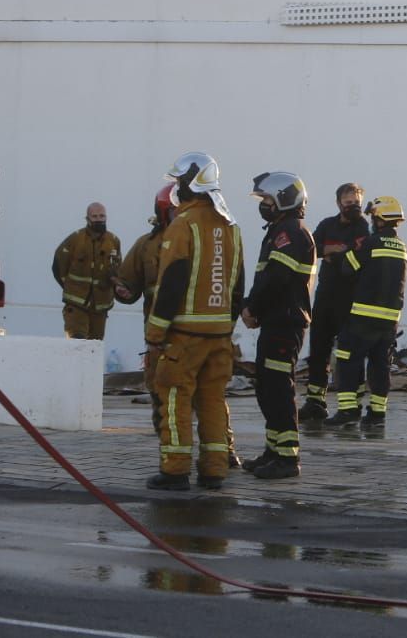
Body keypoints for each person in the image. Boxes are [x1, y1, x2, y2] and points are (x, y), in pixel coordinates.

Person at [144, 153, 244, 491]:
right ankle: (214, 469)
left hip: (185, 335)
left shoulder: (182, 225)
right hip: (219, 334)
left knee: (175, 397)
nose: (176, 187)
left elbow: (172, 280)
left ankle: (175, 469)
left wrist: (155, 332)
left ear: (190, 184)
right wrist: (227, 326)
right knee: (213, 399)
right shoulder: (231, 226)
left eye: (179, 181)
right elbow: (237, 283)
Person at [241, 172, 316, 480]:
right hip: (277, 321)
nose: (264, 205)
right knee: (267, 388)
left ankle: (287, 458)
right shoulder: (282, 230)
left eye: (268, 200)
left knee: (278, 390)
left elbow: (276, 278)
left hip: (284, 323)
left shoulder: (289, 233)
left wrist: (251, 307)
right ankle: (274, 451)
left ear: (284, 199)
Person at [326, 196, 407, 429]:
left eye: (373, 217)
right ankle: (377, 413)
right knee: (380, 365)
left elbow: (347, 268)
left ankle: (348, 409)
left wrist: (345, 253)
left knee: (348, 359)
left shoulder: (371, 243)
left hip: (363, 316)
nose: (371, 220)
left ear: (380, 219)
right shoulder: (403, 247)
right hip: (390, 320)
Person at [298, 183, 370, 423]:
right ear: (339, 203)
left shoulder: (362, 226)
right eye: (349, 203)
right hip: (326, 295)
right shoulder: (327, 225)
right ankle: (315, 402)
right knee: (318, 349)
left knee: (349, 352)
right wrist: (330, 249)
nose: (354, 207)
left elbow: (356, 255)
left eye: (357, 203)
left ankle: (352, 404)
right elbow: (311, 248)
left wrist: (335, 254)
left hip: (350, 297)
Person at [114, 185, 176, 434]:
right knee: (157, 382)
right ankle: (166, 437)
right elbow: (129, 283)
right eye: (174, 212)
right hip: (156, 330)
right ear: (162, 212)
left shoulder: (199, 241)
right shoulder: (147, 245)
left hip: (190, 329)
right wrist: (123, 291)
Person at [52, 202, 122, 340]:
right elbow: (58, 265)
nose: (99, 219)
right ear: (87, 218)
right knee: (77, 343)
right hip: (77, 304)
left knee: (95, 347)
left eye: (102, 216)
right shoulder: (75, 239)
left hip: (100, 306)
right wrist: (70, 287)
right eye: (94, 216)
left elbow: (118, 269)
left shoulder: (113, 241)